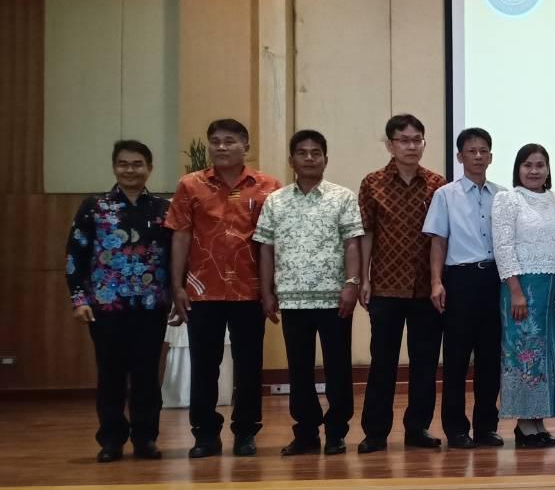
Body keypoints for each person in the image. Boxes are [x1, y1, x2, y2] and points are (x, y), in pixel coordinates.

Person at [166, 118, 282, 458]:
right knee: (205, 365)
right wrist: (177, 285)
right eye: (215, 141)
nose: (221, 147)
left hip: (250, 289)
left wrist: (271, 289)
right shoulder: (191, 185)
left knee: (249, 366)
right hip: (203, 289)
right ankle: (205, 434)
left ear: (246, 146)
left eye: (229, 141)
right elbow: (181, 235)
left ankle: (245, 432)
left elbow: (273, 242)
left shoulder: (268, 186)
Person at [254, 130, 364, 456]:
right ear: (291, 160)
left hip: (335, 298)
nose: (309, 158)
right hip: (292, 299)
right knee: (299, 369)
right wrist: (266, 292)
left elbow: (352, 244)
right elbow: (265, 248)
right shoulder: (276, 200)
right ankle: (305, 433)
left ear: (326, 159)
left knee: (338, 368)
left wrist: (352, 284)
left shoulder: (342, 197)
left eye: (316, 153)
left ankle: (336, 432)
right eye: (302, 153)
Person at [64, 139, 172, 462]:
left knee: (146, 375)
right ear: (114, 167)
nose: (130, 170)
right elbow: (75, 256)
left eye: (137, 164)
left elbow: (176, 257)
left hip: (151, 307)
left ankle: (145, 439)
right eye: (123, 164)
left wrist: (176, 295)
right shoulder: (94, 206)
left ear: (149, 168)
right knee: (110, 375)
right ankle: (111, 440)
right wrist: (79, 300)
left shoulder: (164, 209)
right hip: (106, 307)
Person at [357, 114, 447, 453]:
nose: (411, 146)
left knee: (425, 362)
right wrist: (364, 278)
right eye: (403, 140)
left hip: (426, 287)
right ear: (390, 145)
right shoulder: (373, 183)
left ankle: (417, 428)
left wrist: (439, 281)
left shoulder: (437, 184)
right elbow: (366, 233)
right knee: (383, 362)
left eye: (417, 140)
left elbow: (441, 237)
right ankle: (375, 432)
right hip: (385, 286)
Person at [424, 127, 505, 449]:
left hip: (494, 279)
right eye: (471, 151)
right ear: (459, 156)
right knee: (457, 360)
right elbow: (438, 241)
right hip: (460, 280)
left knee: (490, 359)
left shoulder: (503, 195)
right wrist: (436, 282)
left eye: (483, 151)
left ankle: (486, 427)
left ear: (491, 156)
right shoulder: (445, 195)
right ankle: (456, 429)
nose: (478, 156)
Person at [492, 144, 555, 448]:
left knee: (549, 354)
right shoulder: (508, 199)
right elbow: (503, 246)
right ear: (518, 168)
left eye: (540, 165)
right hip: (522, 288)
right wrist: (515, 291)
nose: (534, 171)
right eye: (528, 165)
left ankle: (538, 420)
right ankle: (524, 423)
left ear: (548, 169)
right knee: (524, 351)